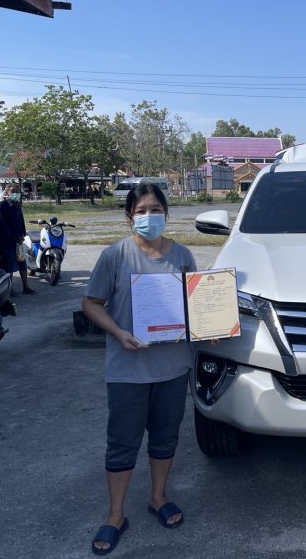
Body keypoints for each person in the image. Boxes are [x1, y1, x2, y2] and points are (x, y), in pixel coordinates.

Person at [82, 183, 196, 556]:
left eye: (156, 209)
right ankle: (115, 515)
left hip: (173, 367)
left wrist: (210, 327)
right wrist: (118, 332)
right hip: (127, 369)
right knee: (122, 443)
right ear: (130, 215)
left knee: (165, 438)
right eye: (142, 210)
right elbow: (91, 303)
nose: (149, 216)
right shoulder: (116, 255)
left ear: (167, 212)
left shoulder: (182, 256)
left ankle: (158, 497)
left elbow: (194, 305)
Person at [0, 184, 36, 296]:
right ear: (7, 193)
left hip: (18, 240)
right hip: (7, 240)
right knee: (9, 265)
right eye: (13, 191)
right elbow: (1, 224)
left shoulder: (17, 205)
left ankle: (26, 287)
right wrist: (14, 237)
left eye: (17, 192)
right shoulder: (2, 206)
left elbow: (21, 221)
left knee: (22, 262)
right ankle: (9, 289)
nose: (15, 194)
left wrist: (23, 234)